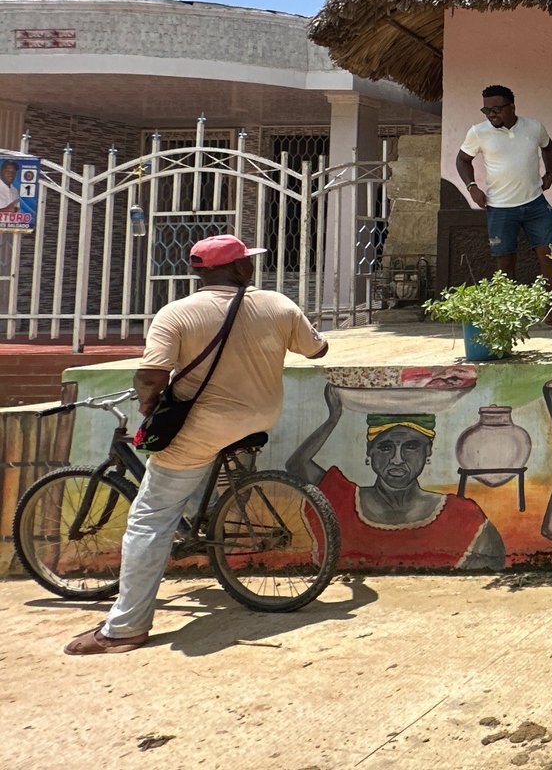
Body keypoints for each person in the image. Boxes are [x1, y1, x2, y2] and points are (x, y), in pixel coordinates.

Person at [65, 235, 328, 655]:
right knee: (194, 471)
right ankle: (209, 512)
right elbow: (317, 350)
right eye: (248, 262)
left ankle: (125, 627)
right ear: (240, 269)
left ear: (199, 272)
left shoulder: (176, 314)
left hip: (202, 428)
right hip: (259, 418)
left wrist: (150, 412)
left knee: (150, 516)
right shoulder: (279, 304)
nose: (251, 268)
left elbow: (151, 376)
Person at [287, 398, 504, 571]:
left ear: (427, 452)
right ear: (369, 452)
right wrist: (333, 418)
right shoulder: (342, 501)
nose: (397, 460)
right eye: (385, 448)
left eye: (411, 447)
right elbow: (297, 464)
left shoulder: (464, 518)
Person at [455, 84, 552, 322]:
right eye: (486, 111)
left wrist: (550, 173)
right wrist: (471, 187)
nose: (492, 115)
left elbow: (549, 147)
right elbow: (462, 160)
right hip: (499, 208)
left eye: (496, 109)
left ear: (512, 107)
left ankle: (550, 309)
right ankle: (506, 313)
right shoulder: (478, 132)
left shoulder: (534, 127)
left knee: (548, 255)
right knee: (505, 260)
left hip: (535, 203)